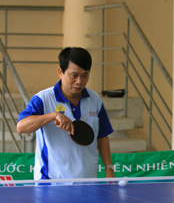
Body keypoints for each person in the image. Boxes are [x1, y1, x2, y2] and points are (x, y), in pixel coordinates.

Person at [17, 47, 115, 180]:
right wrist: (52, 115)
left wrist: (108, 168)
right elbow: (21, 127)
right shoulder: (43, 99)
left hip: (88, 182)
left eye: (85, 75)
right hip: (51, 184)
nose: (79, 81)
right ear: (60, 72)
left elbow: (102, 136)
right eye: (74, 75)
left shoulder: (95, 99)